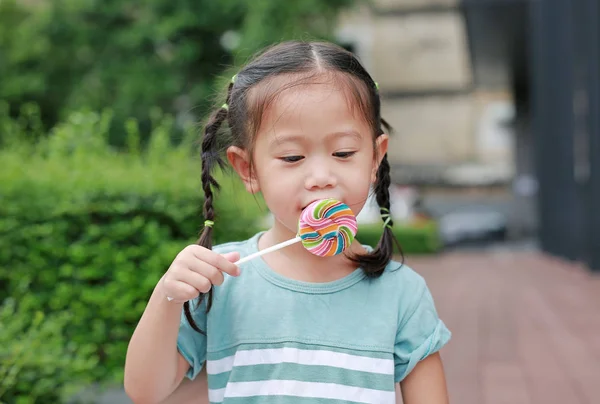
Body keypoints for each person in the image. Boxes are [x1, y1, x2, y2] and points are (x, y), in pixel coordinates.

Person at [124, 40, 451, 404]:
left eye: (344, 153)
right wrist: (167, 296)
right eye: (292, 157)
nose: (321, 176)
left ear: (375, 158)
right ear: (248, 169)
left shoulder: (402, 294)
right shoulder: (223, 280)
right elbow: (144, 392)